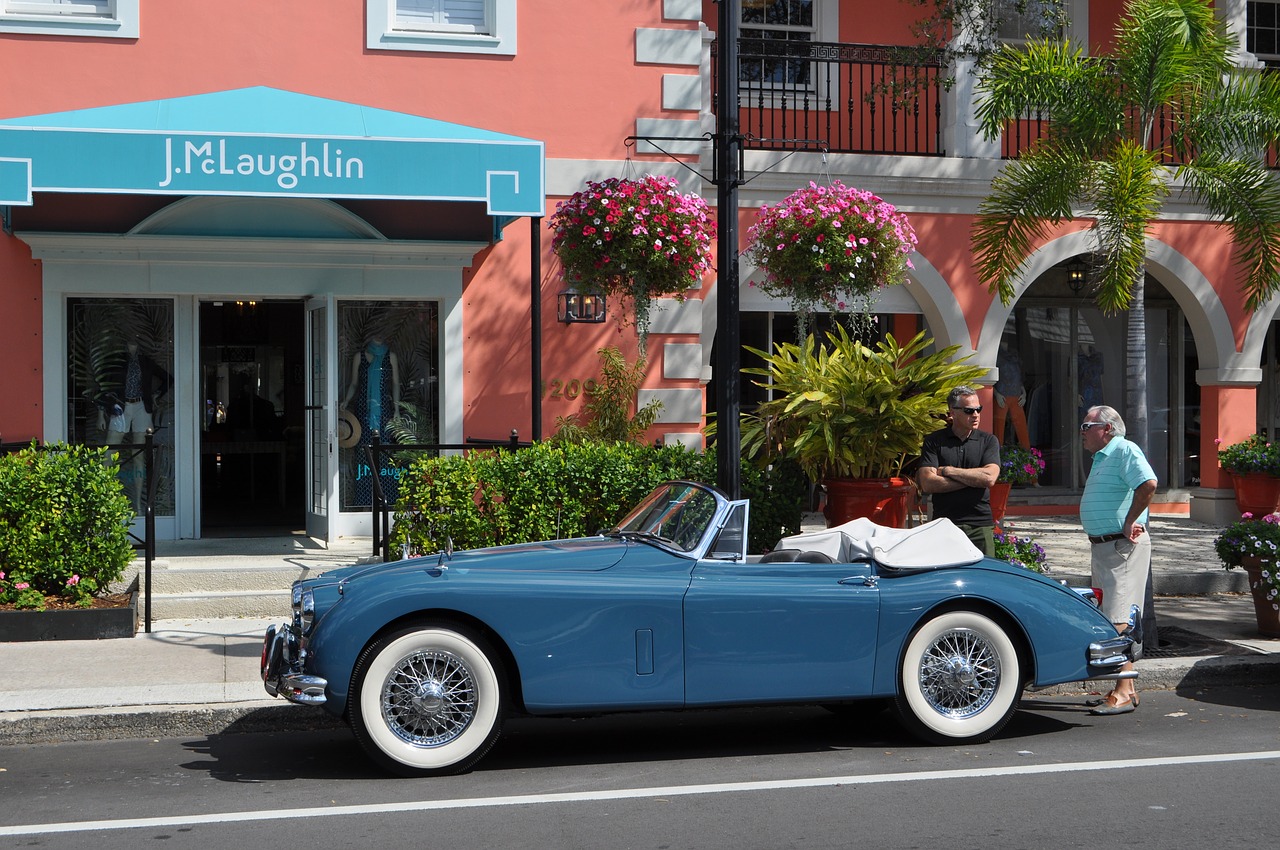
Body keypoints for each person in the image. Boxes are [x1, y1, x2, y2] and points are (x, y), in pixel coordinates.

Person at [1079, 404, 1157, 717]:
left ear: (1107, 429)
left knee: (1119, 619)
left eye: (1087, 426)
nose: (1082, 432)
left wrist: (1130, 520)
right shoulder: (1102, 456)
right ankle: (1125, 688)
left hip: (1121, 546)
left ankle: (1124, 690)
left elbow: (1148, 484)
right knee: (1110, 616)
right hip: (1105, 548)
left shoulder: (1124, 449)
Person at [917, 386, 1002, 556]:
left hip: (980, 526)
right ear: (953, 412)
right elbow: (927, 483)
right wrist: (972, 480)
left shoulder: (988, 441)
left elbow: (989, 478)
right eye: (969, 410)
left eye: (978, 409)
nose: (976, 415)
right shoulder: (934, 441)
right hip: (944, 525)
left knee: (984, 577)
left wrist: (948, 471)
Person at [993, 339, 1030, 448]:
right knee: (999, 428)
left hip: (1017, 396)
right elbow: (991, 379)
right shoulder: (996, 356)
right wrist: (996, 394)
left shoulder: (1015, 356)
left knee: (1021, 426)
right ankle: (997, 454)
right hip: (1002, 396)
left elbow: (1019, 378)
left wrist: (1024, 394)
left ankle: (1027, 455)